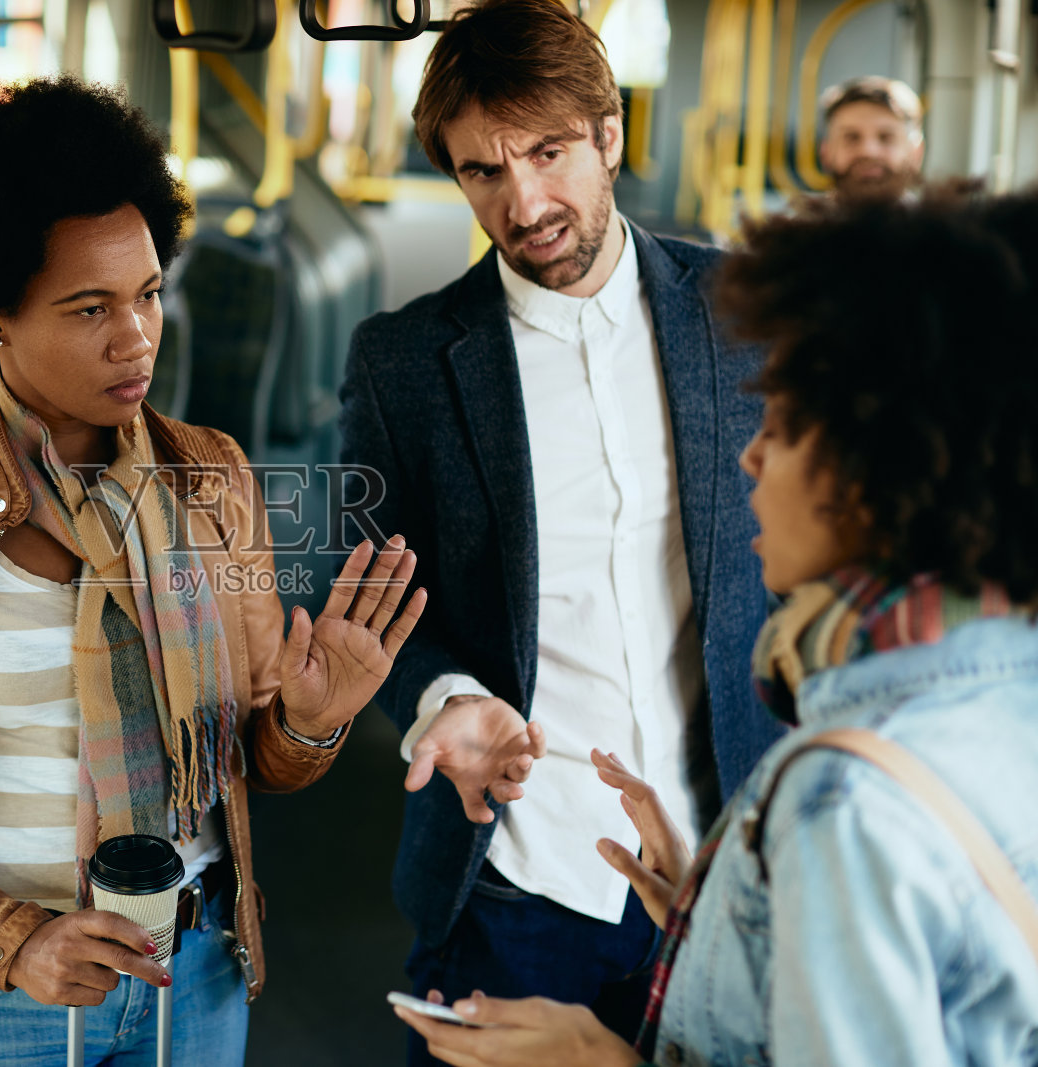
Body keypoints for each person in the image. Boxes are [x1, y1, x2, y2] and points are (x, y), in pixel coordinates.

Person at [0, 76, 427, 1067]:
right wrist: (11, 939)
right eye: (89, 307)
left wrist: (310, 716)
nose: (138, 336)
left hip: (192, 971)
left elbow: (253, 760)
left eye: (151, 293)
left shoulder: (210, 477)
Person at [395, 189, 1038, 1067]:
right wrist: (732, 909)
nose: (750, 453)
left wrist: (596, 1058)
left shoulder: (844, 798)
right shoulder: (1007, 694)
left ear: (882, 464)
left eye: (785, 421)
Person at [337, 1, 784, 1056]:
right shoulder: (401, 362)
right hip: (517, 876)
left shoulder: (743, 311)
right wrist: (442, 694)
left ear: (609, 134)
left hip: (724, 866)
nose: (524, 200)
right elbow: (359, 590)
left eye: (547, 152)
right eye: (482, 171)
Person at [818, 75, 925, 204]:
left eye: (886, 137)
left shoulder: (942, 223)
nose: (868, 151)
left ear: (916, 152)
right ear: (825, 152)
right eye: (851, 137)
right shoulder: (799, 223)